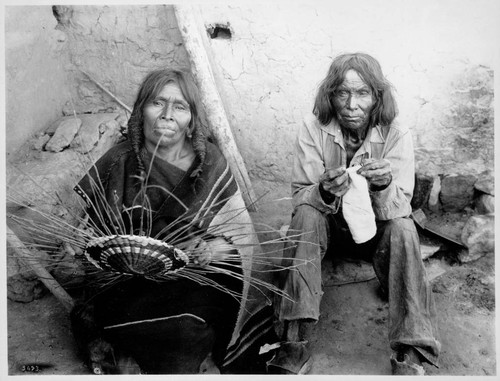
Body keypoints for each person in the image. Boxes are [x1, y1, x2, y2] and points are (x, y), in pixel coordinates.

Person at [70, 69, 275, 374]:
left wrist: (211, 250)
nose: (167, 115)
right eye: (157, 103)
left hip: (196, 279)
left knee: (186, 325)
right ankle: (160, 352)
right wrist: (122, 257)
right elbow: (91, 239)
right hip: (131, 283)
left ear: (191, 119)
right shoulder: (118, 160)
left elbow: (241, 240)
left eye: (180, 107)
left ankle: (160, 353)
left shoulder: (210, 164)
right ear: (141, 112)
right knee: (127, 318)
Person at [269, 53, 440, 375]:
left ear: (377, 96)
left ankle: (413, 350)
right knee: (305, 216)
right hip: (330, 232)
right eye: (342, 93)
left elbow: (401, 206)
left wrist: (384, 184)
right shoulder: (313, 127)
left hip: (375, 236)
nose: (351, 104)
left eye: (362, 93)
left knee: (404, 229)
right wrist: (324, 190)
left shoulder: (395, 133)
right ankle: (293, 339)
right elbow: (300, 197)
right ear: (330, 95)